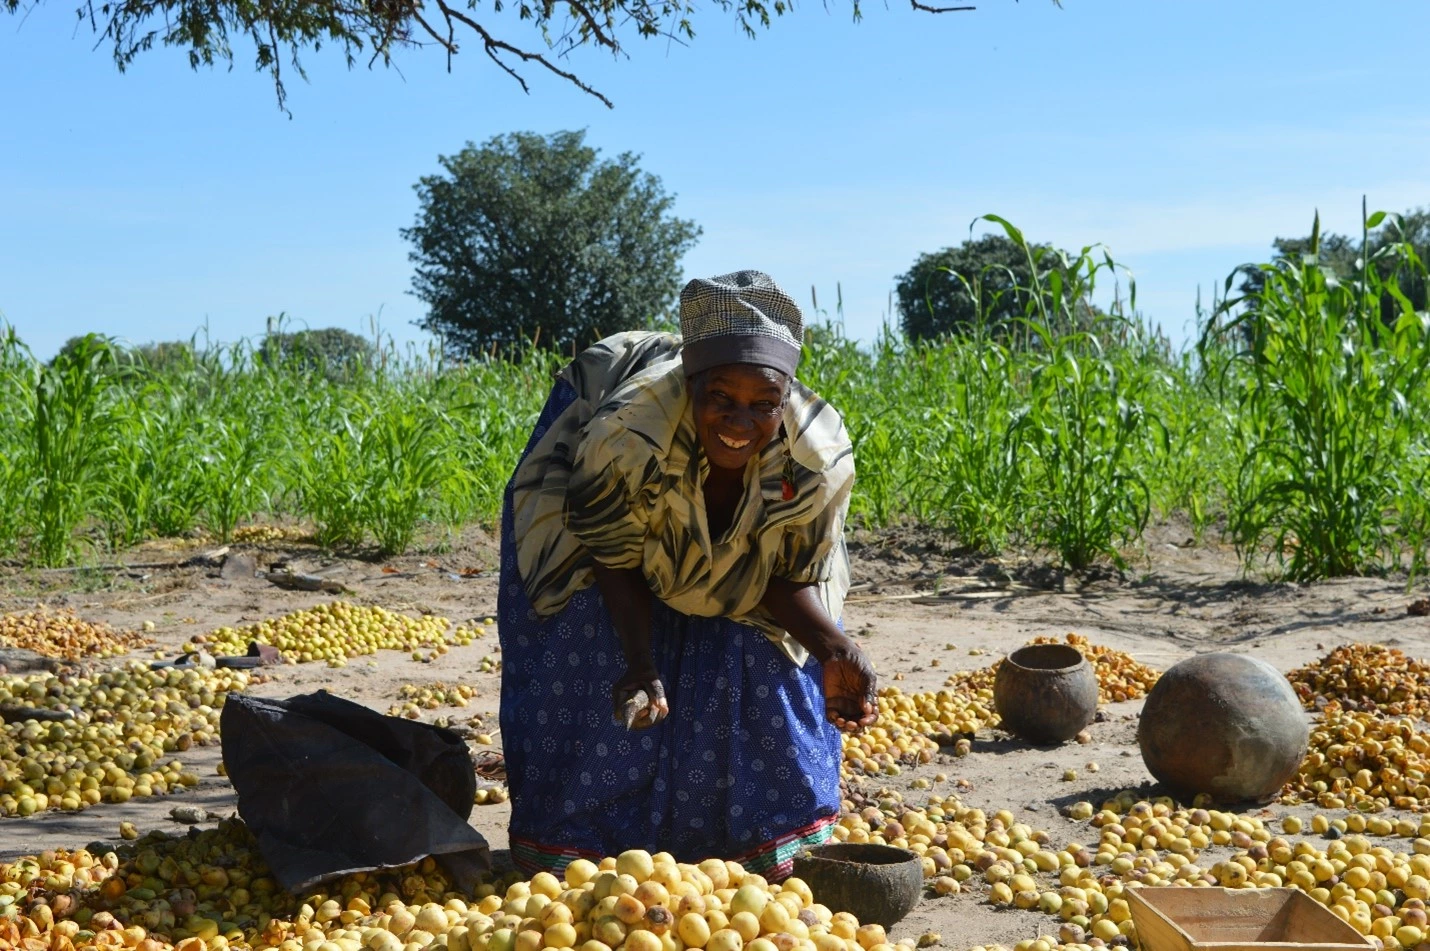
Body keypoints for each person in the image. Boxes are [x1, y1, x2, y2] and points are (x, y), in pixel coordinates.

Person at [498, 270, 877, 881]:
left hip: (733, 514)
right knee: (589, 640)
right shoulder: (627, 434)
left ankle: (748, 842)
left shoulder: (816, 460)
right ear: (688, 384)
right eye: (719, 398)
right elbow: (612, 553)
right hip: (592, 483)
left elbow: (785, 576)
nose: (738, 421)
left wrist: (836, 648)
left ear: (787, 398)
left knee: (760, 657)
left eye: (763, 404)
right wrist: (640, 663)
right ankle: (580, 848)